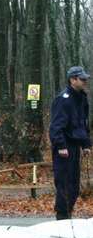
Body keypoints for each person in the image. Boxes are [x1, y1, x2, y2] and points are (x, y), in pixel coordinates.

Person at [49, 66, 91, 220]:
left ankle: (68, 215)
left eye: (85, 79)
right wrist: (60, 146)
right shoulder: (63, 99)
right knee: (64, 184)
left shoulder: (81, 98)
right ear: (73, 80)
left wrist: (86, 144)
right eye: (82, 79)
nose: (85, 81)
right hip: (64, 147)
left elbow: (83, 123)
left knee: (73, 184)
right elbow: (56, 126)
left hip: (75, 146)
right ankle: (62, 219)